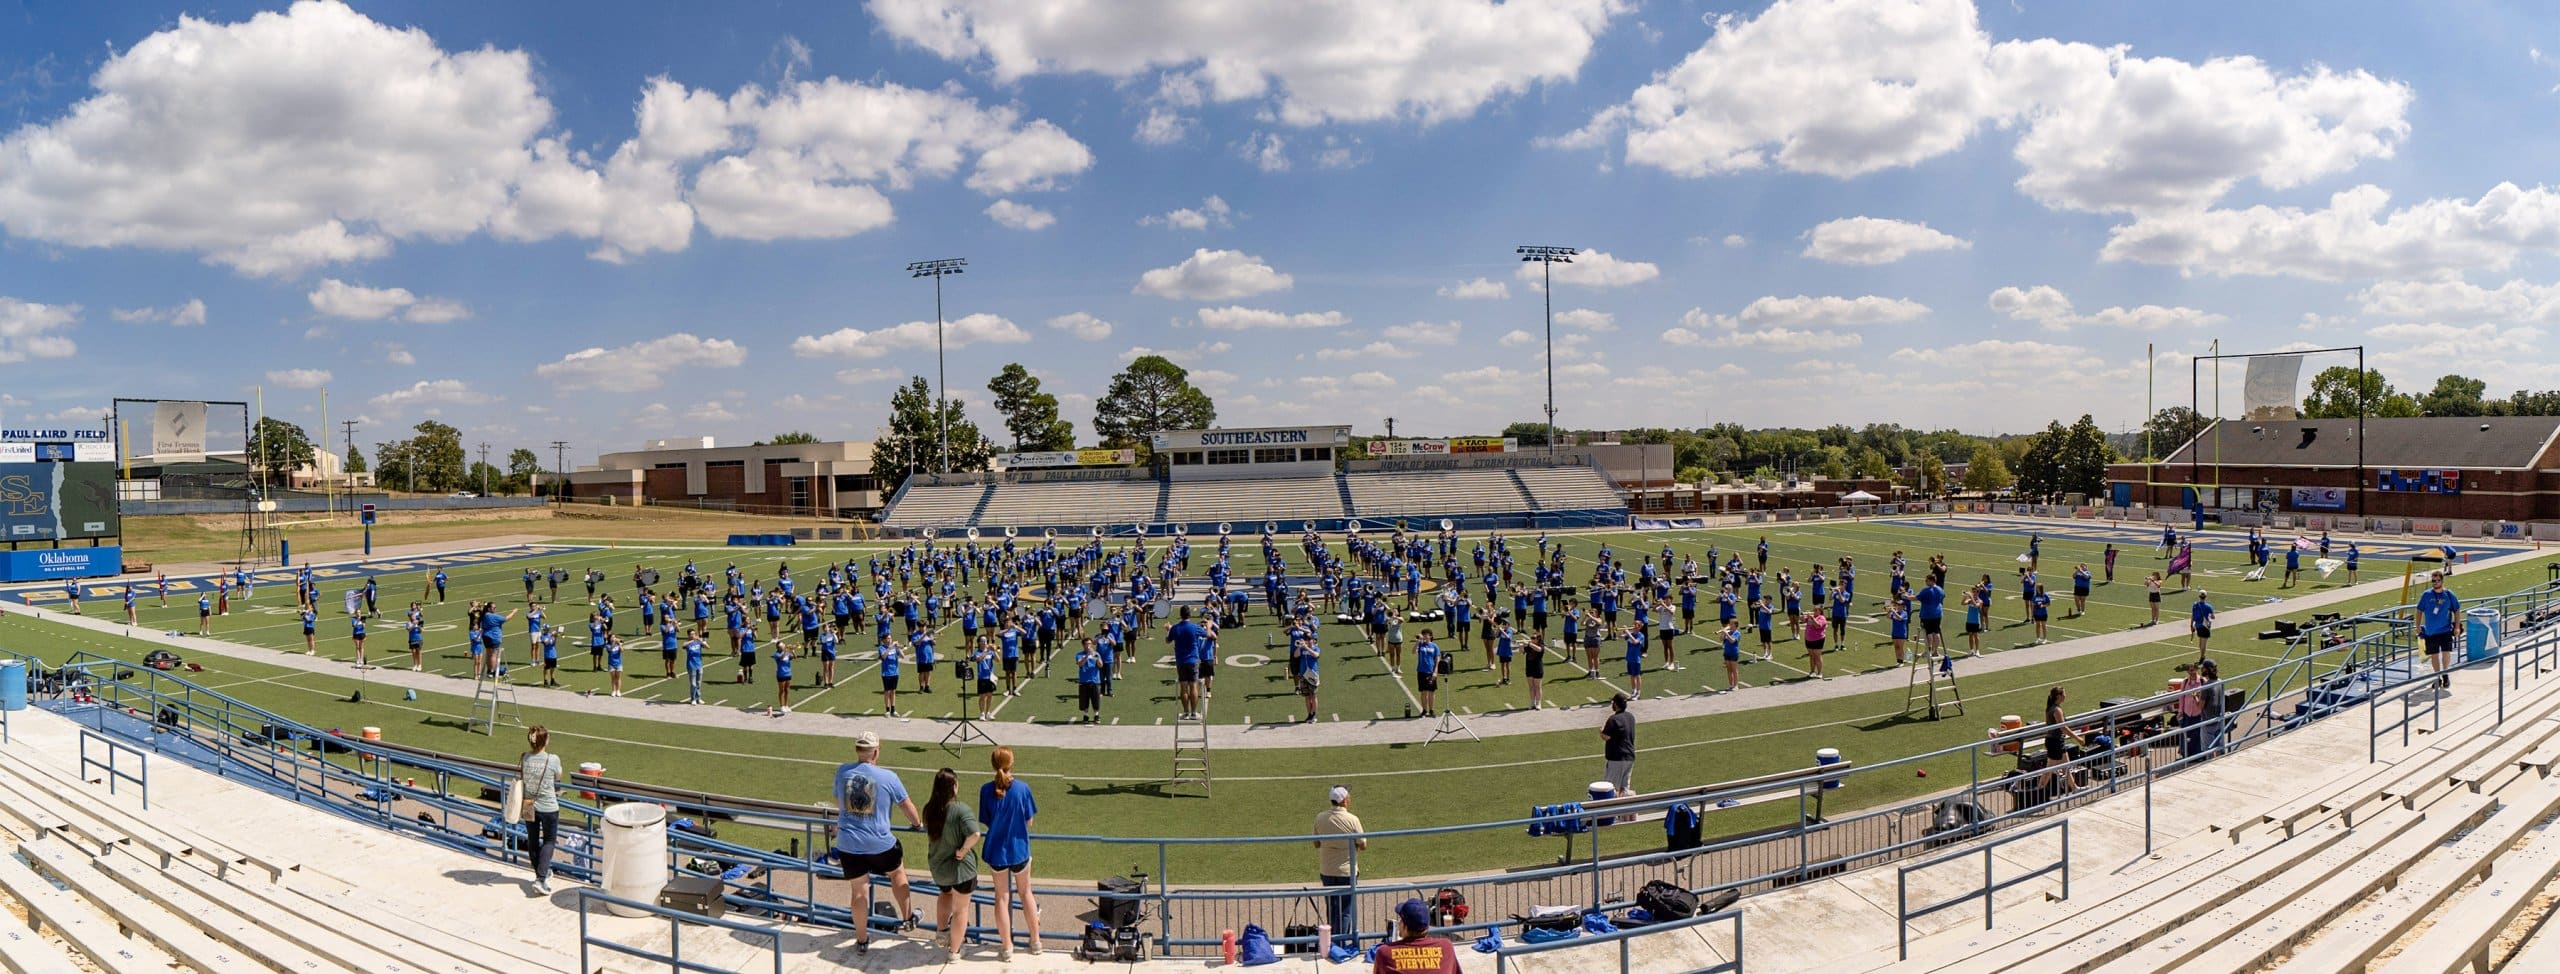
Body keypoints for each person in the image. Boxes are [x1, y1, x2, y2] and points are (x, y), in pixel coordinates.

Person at [833, 731, 922, 955]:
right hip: (879, 842)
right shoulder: (888, 776)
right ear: (876, 752)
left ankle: (862, 939)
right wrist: (917, 823)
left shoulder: (843, 771)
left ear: (857, 750)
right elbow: (906, 806)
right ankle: (908, 917)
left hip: (849, 842)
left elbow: (840, 802)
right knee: (897, 873)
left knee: (859, 891)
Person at [980, 747, 1043, 957]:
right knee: (1026, 894)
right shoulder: (1023, 789)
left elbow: (987, 820)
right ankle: (1035, 941)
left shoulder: (985, 790)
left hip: (997, 851)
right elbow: (1030, 820)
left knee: (1002, 897)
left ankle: (1007, 946)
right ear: (1011, 764)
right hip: (1019, 850)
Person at [922, 768, 981, 960]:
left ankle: (941, 931)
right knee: (961, 910)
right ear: (953, 787)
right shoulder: (960, 809)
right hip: (961, 870)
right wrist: (963, 850)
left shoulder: (928, 809)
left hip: (939, 868)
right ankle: (954, 951)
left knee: (945, 894)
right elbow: (975, 834)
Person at [1314, 786, 1366, 950]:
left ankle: (1331, 942)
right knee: (1345, 910)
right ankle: (1341, 945)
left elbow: (1316, 842)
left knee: (1332, 908)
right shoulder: (1352, 819)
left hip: (1327, 870)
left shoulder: (1320, 817)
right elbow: (1363, 844)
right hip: (1346, 871)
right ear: (1344, 800)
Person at [519, 725, 564, 895]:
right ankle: (541, 877)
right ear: (544, 740)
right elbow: (558, 776)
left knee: (532, 839)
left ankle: (541, 873)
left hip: (528, 803)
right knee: (549, 840)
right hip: (548, 806)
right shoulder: (552, 759)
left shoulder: (525, 757)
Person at [1372, 898, 1462, 974]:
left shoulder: (1384, 952)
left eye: (1401, 920)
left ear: (1404, 926)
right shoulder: (1446, 947)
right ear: (1427, 926)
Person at [2419, 572, 2460, 691]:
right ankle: (2437, 676)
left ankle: (2445, 674)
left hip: (2445, 629)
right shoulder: (2426, 595)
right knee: (2434, 655)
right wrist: (2417, 626)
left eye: (2437, 580)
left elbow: (2456, 610)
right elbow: (2419, 610)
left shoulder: (2449, 594)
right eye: (2433, 580)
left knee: (2446, 652)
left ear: (2442, 581)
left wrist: (2457, 627)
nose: (2435, 583)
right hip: (2431, 631)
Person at [1169, 606, 1206, 721]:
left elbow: (1168, 640)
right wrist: (1209, 626)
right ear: (1189, 615)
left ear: (1180, 615)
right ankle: (1194, 713)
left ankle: (1185, 713)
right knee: (1193, 686)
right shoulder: (1194, 627)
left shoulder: (1175, 628)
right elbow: (1206, 634)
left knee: (1183, 687)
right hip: (1193, 660)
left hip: (1180, 661)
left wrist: (1168, 630)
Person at [1601, 694, 1635, 797]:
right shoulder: (1630, 717)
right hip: (1629, 756)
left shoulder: (1613, 719)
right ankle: (1628, 812)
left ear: (1615, 704)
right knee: (1625, 789)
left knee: (1610, 788)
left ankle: (1612, 812)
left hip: (1616, 758)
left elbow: (1606, 736)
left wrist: (1601, 731)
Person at [1414, 631, 1441, 717]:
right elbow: (1413, 651)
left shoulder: (1434, 646)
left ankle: (1431, 710)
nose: (1424, 637)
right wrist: (1417, 642)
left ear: (1430, 636)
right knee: (1423, 692)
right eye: (1423, 635)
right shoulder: (1420, 645)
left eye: (1426, 635)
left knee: (1431, 692)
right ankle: (1424, 710)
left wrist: (1435, 671)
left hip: (1430, 671)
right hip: (1421, 671)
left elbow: (1437, 659)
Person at [2190, 591, 2214, 655]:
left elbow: (2192, 615)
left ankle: (2201, 655)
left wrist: (2191, 625)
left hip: (2198, 625)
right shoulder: (2209, 606)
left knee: (2200, 641)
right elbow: (2213, 617)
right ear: (2205, 597)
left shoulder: (2195, 605)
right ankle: (2202, 656)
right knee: (2204, 643)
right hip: (2205, 626)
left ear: (2199, 596)